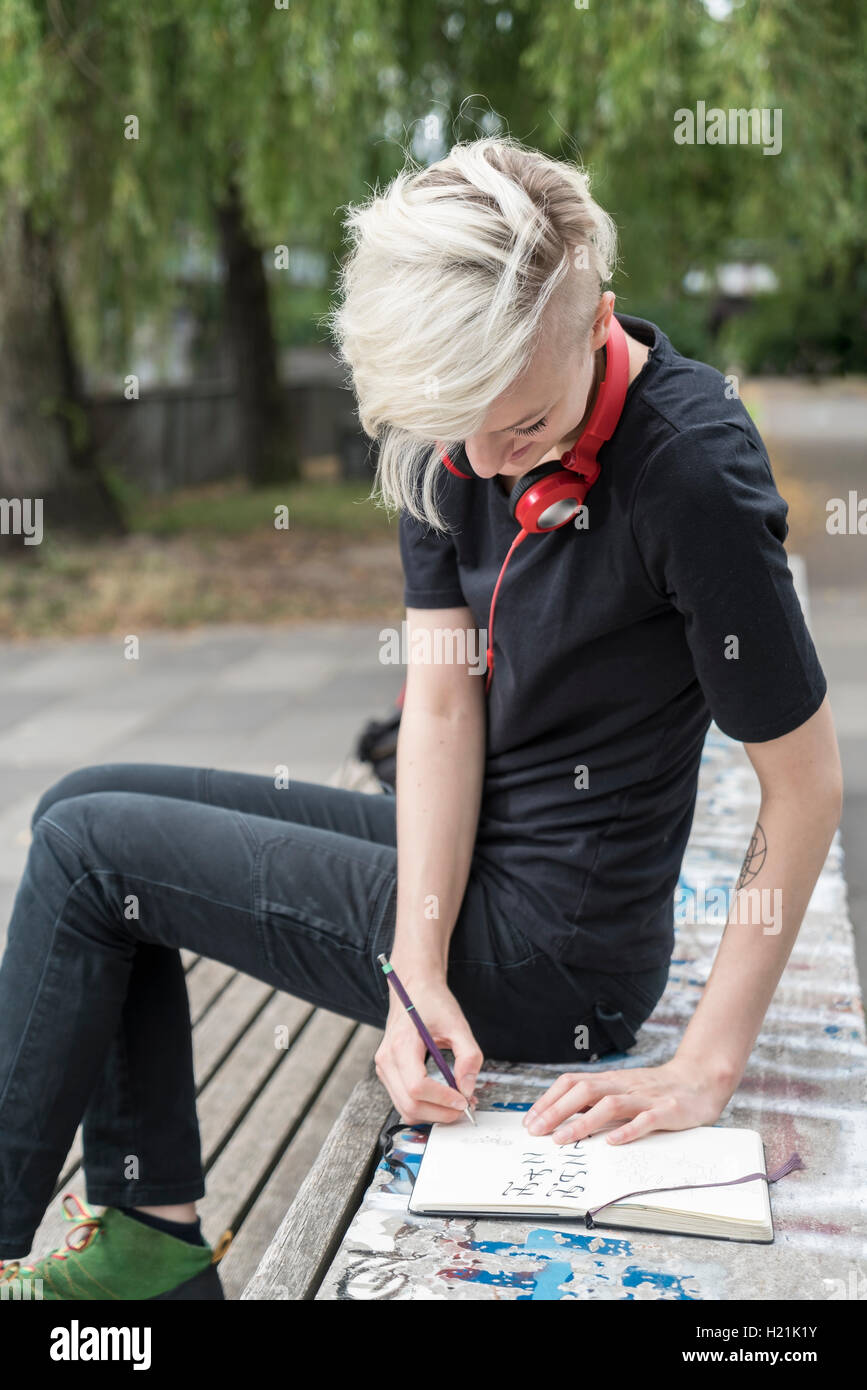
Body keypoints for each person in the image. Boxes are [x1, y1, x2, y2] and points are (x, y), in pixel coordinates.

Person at [0, 135, 842, 1300]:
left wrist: (704, 1067)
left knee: (93, 858)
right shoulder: (451, 434)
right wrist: (413, 969)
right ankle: (152, 1237)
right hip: (463, 876)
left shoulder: (690, 472)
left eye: (525, 425)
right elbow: (442, 703)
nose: (490, 465)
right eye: (463, 433)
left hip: (559, 952)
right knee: (74, 807)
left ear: (593, 309)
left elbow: (805, 787)